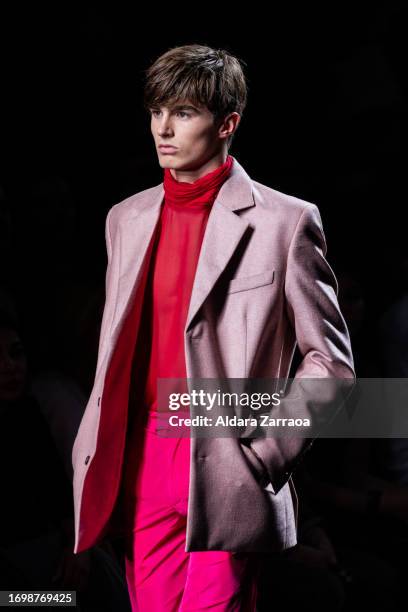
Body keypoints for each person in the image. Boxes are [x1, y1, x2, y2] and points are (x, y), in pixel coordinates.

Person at [71, 44, 355, 611]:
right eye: (156, 112)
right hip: (141, 452)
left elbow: (331, 365)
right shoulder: (124, 219)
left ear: (227, 123)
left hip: (227, 450)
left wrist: (264, 453)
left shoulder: (287, 221)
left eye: (183, 113)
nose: (163, 129)